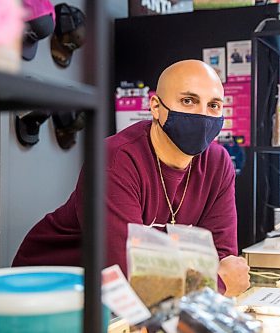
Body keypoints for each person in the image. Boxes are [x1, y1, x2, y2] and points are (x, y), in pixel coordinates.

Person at [13, 59, 251, 297]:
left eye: (214, 105)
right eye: (188, 101)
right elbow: (125, 272)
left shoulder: (218, 164)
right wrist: (217, 284)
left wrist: (213, 278)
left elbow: (221, 256)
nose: (203, 115)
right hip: (51, 287)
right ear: (156, 107)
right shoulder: (114, 160)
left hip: (123, 299)